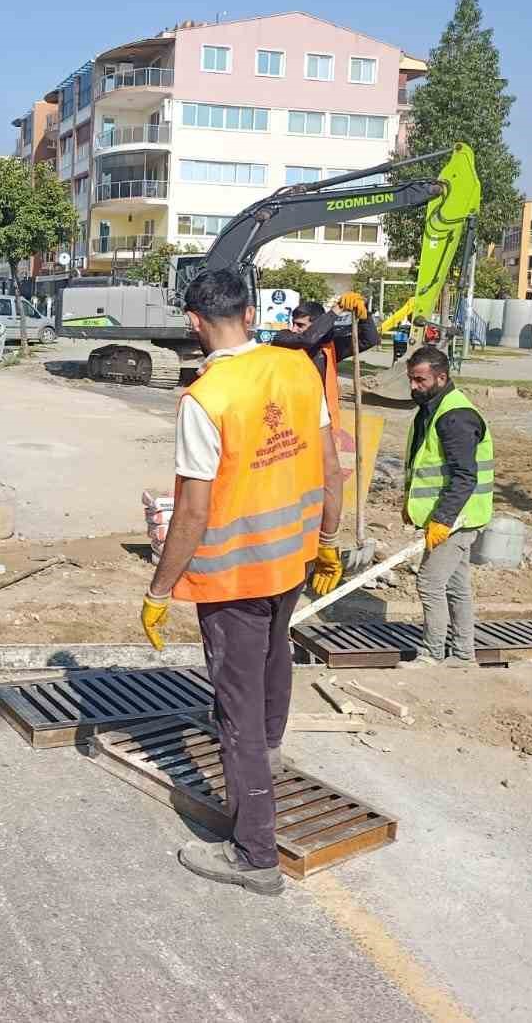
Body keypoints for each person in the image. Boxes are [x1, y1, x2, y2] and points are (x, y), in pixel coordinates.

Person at [140, 267, 343, 897]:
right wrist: (329, 540)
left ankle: (256, 855)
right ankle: (271, 756)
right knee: (276, 656)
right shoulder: (299, 369)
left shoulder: (206, 398)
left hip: (234, 577)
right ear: (251, 315)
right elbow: (331, 465)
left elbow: (195, 511)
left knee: (236, 711)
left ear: (194, 323)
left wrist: (158, 590)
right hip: (294, 559)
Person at [403, 345, 494, 667]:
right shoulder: (434, 406)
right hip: (454, 515)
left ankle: (431, 654)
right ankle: (463, 654)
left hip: (457, 517)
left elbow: (464, 476)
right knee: (456, 585)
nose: (414, 387)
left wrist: (442, 519)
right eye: (411, 380)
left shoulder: (454, 417)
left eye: (420, 380)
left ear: (441, 377)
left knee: (429, 582)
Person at [273, 294, 380, 434]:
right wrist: (338, 309)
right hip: (287, 419)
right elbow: (307, 339)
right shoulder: (283, 339)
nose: (293, 329)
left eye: (300, 325)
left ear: (317, 324)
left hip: (321, 420)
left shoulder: (329, 348)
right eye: (293, 323)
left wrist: (364, 314)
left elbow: (369, 340)